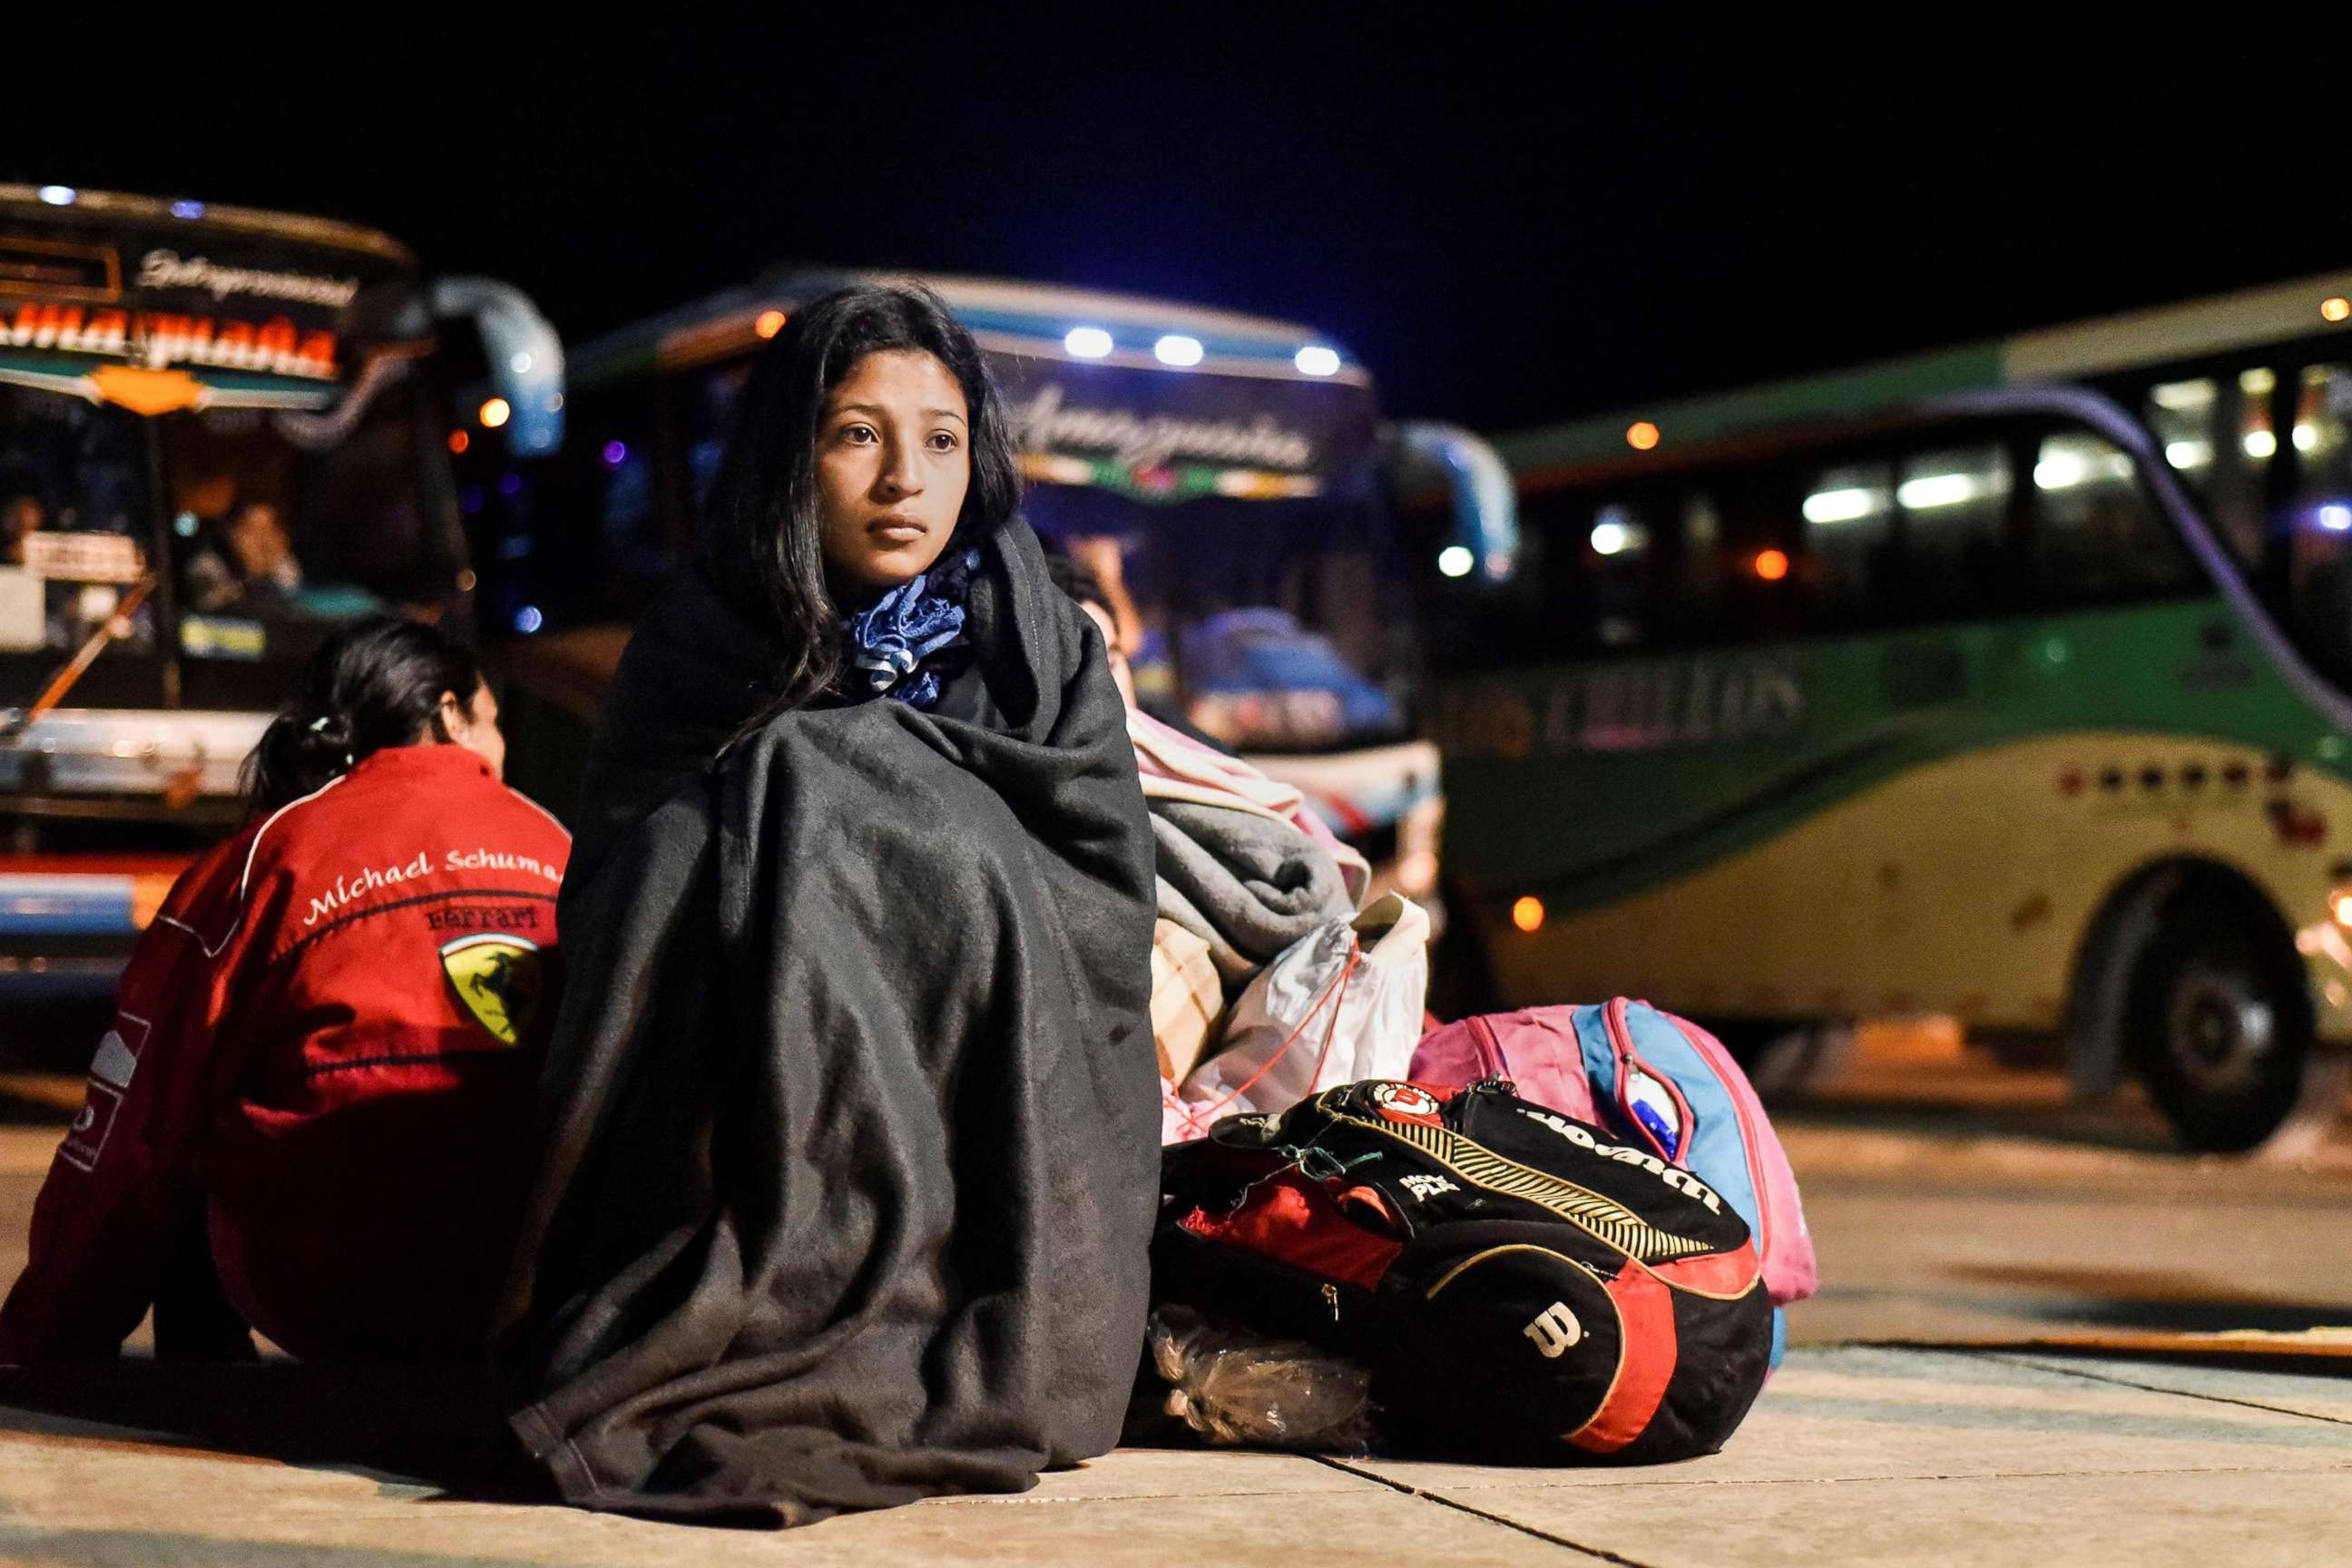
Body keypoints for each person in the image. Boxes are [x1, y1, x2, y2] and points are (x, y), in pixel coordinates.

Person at [495, 284, 1157, 1526]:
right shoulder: (701, 638)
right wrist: (799, 823)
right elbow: (624, 903)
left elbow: (1104, 916)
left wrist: (849, 797)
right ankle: (765, 1293)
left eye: (944, 439)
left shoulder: (1040, 648)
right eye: (857, 434)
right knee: (735, 814)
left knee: (802, 772)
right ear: (787, 455)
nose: (906, 476)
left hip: (998, 1166)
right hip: (732, 1144)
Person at [0, 617, 570, 1365]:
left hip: (333, 1288)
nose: (501, 751)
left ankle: (210, 1404)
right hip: (530, 1292)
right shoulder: (555, 840)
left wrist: (38, 1342)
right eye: (492, 722)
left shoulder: (267, 855)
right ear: (450, 714)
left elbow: (131, 1129)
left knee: (185, 1122)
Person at [185, 498, 303, 613]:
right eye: (252, 531)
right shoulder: (206, 567)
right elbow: (212, 608)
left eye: (271, 530)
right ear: (232, 535)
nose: (263, 541)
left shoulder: (286, 566)